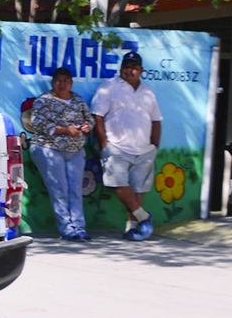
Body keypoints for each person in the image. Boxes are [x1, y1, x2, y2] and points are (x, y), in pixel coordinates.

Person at [91, 50, 162, 240]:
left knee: (138, 189)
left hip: (144, 149)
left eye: (134, 68)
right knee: (119, 185)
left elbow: (156, 120)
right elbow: (97, 116)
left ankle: (131, 228)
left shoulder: (148, 92)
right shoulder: (109, 87)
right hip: (116, 148)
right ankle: (144, 217)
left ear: (141, 70)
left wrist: (155, 145)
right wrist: (104, 142)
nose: (129, 71)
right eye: (126, 67)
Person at [23, 65, 93, 240]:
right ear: (53, 83)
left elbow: (90, 119)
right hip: (49, 148)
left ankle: (79, 227)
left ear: (71, 83)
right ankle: (66, 229)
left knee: (75, 189)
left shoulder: (78, 100)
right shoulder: (44, 100)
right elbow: (38, 124)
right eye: (58, 81)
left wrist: (86, 126)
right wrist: (65, 130)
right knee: (59, 189)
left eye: (66, 81)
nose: (62, 84)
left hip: (75, 150)